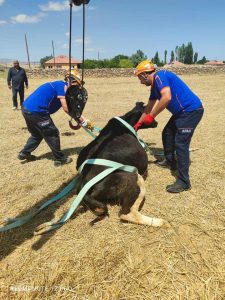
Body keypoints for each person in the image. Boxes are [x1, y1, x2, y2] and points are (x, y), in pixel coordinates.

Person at [134, 60, 204, 193]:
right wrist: (138, 123)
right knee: (167, 132)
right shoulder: (155, 86)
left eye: (140, 78)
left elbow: (166, 98)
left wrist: (151, 117)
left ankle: (184, 182)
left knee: (181, 143)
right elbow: (149, 107)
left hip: (191, 111)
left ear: (144, 75)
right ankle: (170, 160)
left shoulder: (160, 76)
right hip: (181, 112)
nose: (141, 82)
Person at [18, 70, 90, 166]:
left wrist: (78, 121)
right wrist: (82, 120)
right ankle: (59, 159)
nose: (78, 87)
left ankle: (24, 153)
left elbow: (71, 109)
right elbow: (66, 108)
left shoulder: (64, 89)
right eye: (77, 84)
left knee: (37, 134)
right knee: (52, 133)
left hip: (27, 109)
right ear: (72, 81)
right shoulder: (62, 86)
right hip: (37, 111)